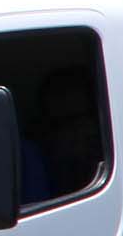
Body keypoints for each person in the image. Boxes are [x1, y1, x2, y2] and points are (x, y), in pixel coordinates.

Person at [20, 67, 103, 207]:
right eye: (59, 124)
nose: (74, 134)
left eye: (77, 120)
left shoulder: (108, 163)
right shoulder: (30, 159)